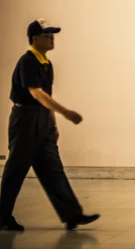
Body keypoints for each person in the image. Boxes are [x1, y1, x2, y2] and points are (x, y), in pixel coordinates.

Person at [0, 19, 100, 231]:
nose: (51, 38)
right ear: (34, 38)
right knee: (15, 170)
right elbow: (36, 93)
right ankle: (2, 216)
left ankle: (72, 215)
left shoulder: (46, 63)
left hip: (42, 120)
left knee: (53, 169)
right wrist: (66, 113)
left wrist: (52, 125)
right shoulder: (27, 61)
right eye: (47, 35)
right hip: (25, 120)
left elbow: (47, 97)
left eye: (52, 34)